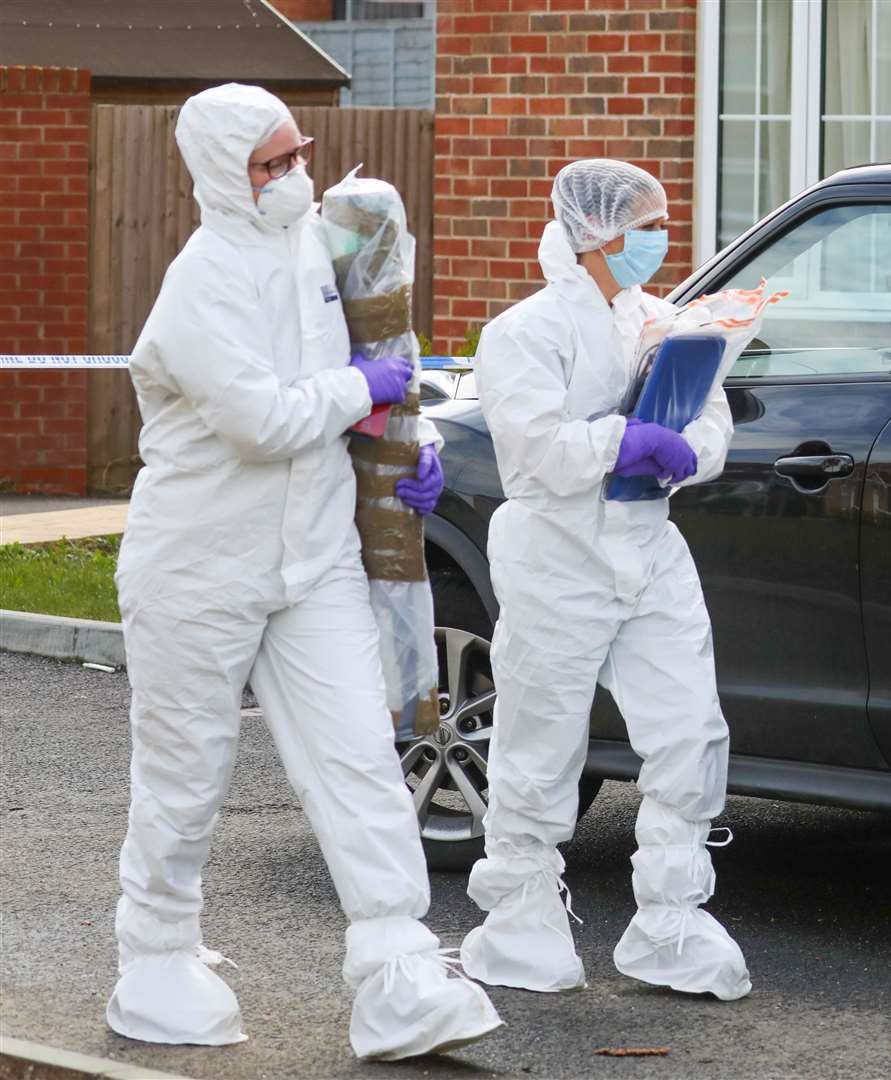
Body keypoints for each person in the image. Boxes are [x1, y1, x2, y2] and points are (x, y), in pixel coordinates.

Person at [108, 83, 500, 1059]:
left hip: (312, 557)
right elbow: (261, 421)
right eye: (269, 164)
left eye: (298, 155)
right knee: (185, 773)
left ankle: (398, 969)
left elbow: (370, 371)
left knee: (360, 764)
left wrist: (406, 443)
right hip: (198, 562)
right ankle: (154, 958)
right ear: (221, 175)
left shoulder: (329, 254)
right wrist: (354, 392)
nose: (292, 176)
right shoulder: (199, 283)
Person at [459, 159, 749, 1001]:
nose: (660, 240)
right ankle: (519, 920)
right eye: (647, 225)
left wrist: (687, 452)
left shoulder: (664, 321)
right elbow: (535, 449)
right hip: (558, 554)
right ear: (599, 231)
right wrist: (620, 441)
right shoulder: (526, 331)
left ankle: (672, 922)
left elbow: (713, 419)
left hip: (648, 543)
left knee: (689, 732)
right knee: (541, 745)